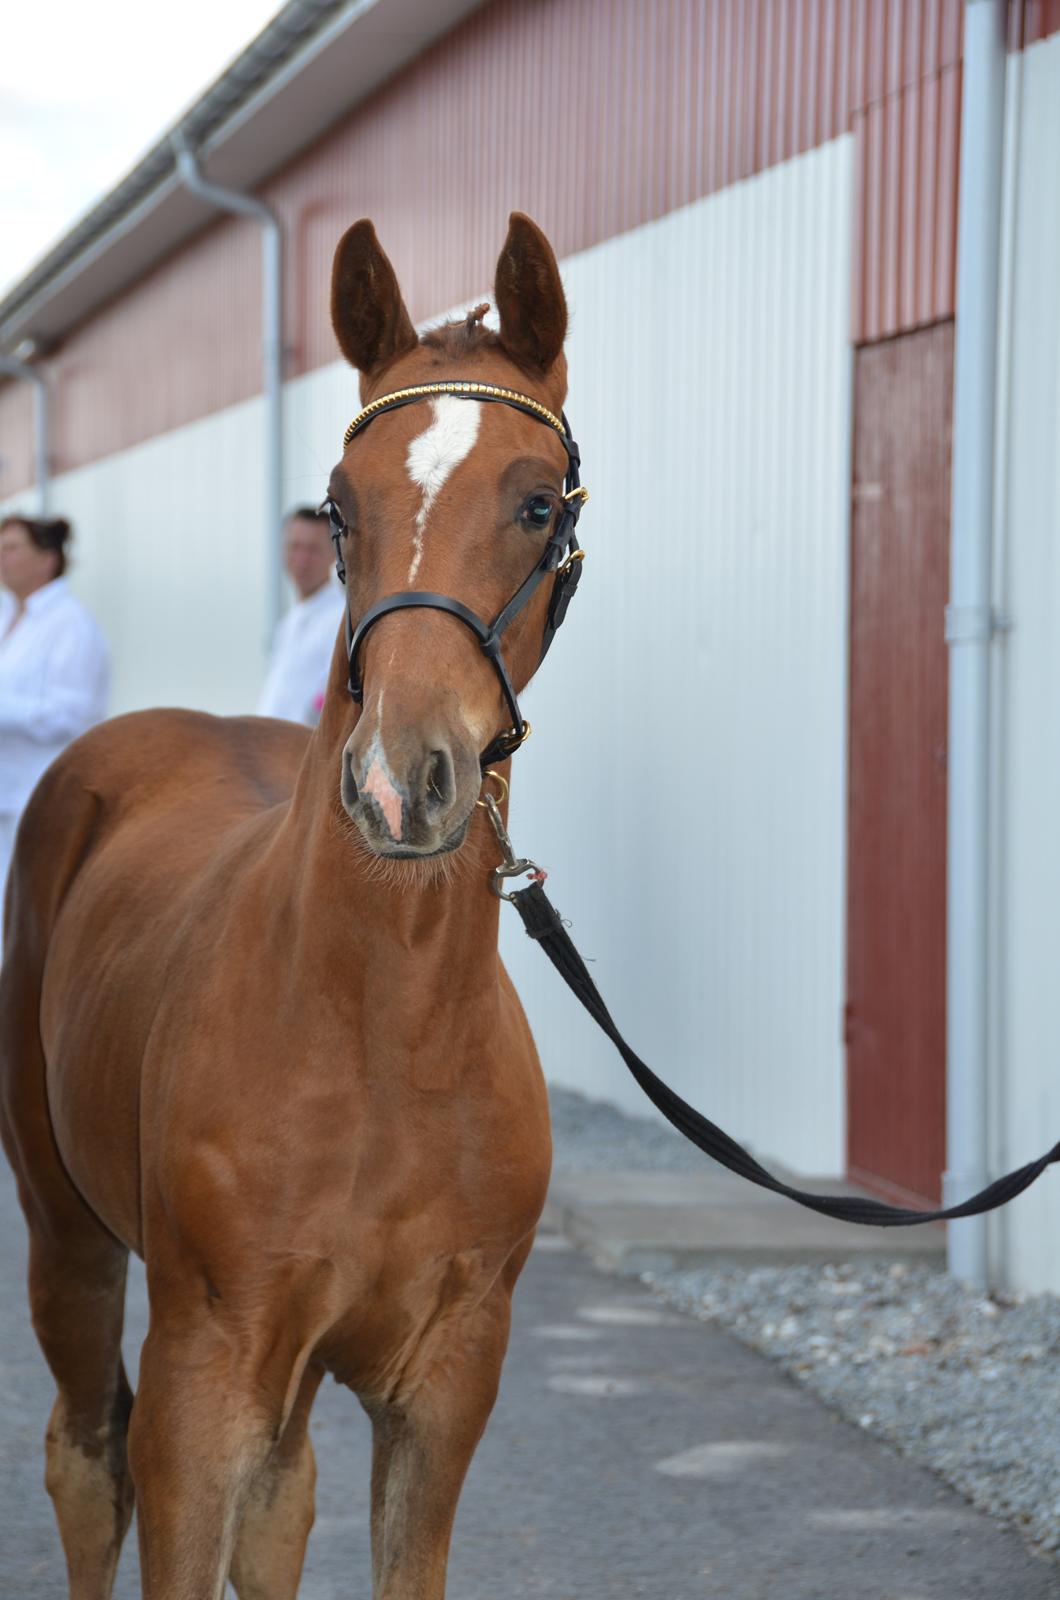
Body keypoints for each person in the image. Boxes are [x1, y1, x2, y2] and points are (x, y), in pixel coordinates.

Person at [0, 514, 111, 899]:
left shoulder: (71, 624)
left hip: (40, 799)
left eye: (12, 548)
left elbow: (69, 716)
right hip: (6, 794)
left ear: (47, 560)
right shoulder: (7, 616)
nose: (2, 557)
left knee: (24, 916)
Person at [257, 506, 345, 725]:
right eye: (294, 547)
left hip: (296, 751)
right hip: (268, 749)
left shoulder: (341, 618)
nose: (301, 559)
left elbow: (333, 697)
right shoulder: (290, 621)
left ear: (334, 553)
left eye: (312, 549)